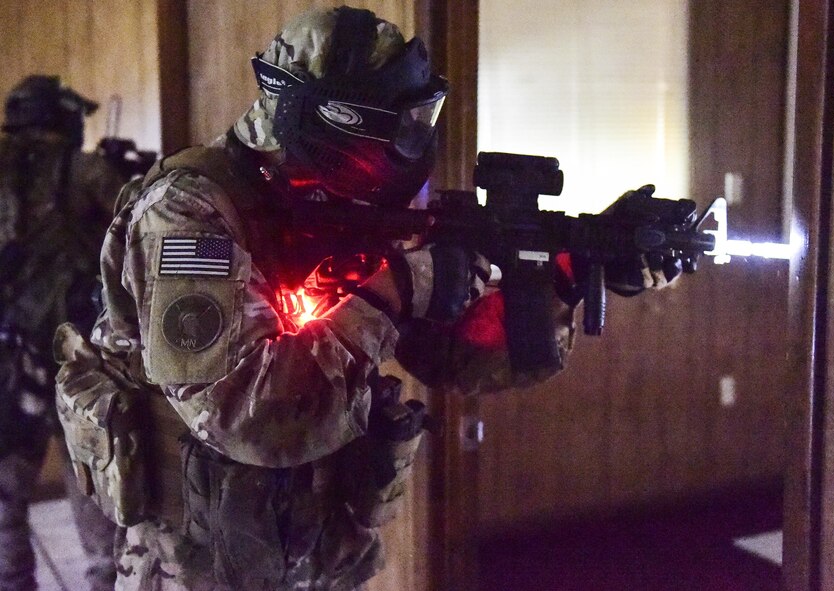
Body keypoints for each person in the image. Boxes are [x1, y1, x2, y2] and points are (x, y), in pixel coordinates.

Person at [54, 6, 680, 590]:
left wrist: (567, 274)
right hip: (196, 562)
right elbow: (248, 415)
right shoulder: (188, 211)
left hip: (324, 548)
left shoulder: (345, 206)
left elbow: (451, 355)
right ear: (328, 120)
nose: (407, 149)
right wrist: (400, 287)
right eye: (394, 126)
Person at [0, 75, 124, 591]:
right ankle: (103, 580)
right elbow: (135, 224)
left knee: (5, 487)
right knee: (89, 476)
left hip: (6, 351)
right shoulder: (84, 169)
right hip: (72, 350)